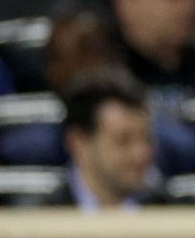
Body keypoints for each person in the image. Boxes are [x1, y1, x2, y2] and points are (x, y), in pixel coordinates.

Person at [56, 73, 163, 210]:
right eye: (123, 141)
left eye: (146, 138)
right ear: (78, 143)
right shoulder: (39, 219)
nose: (141, 154)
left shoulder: (168, 212)